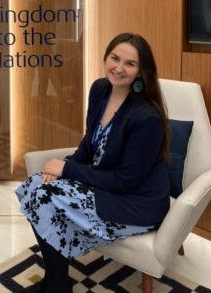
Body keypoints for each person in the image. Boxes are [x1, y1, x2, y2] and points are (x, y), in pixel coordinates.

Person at [15, 32, 170, 292]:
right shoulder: (100, 89)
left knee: (43, 198)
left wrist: (67, 169)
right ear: (106, 56)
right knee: (34, 187)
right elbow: (89, 143)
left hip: (136, 203)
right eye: (115, 58)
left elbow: (125, 181)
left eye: (130, 64)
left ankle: (56, 285)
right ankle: (58, 282)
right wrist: (64, 169)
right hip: (106, 184)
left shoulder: (146, 118)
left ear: (142, 71)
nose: (119, 68)